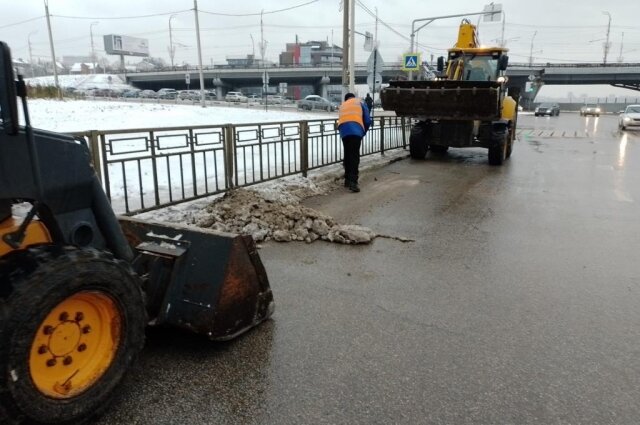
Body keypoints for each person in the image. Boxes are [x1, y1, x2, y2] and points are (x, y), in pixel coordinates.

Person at [338, 92, 372, 193]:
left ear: (346, 99)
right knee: (354, 156)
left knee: (347, 155)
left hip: (344, 132)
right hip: (356, 131)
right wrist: (363, 131)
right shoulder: (359, 102)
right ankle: (353, 182)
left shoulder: (342, 105)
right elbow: (367, 120)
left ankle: (347, 180)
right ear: (353, 97)